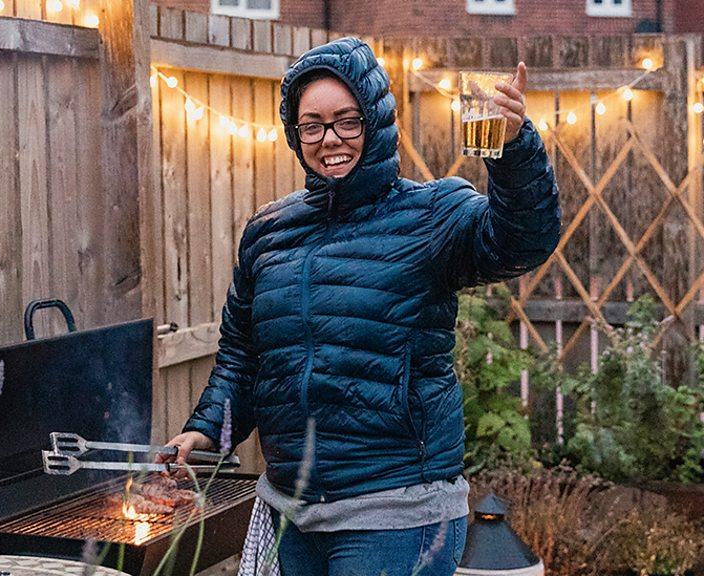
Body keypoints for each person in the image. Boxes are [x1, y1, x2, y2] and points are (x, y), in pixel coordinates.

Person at [157, 37, 560, 576]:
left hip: (395, 514)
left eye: (347, 121)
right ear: (295, 133)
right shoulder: (269, 233)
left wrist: (515, 150)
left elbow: (522, 240)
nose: (331, 140)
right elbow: (243, 356)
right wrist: (207, 430)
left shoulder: (431, 214)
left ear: (375, 121)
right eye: (313, 125)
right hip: (290, 513)